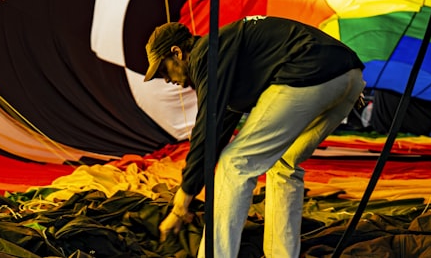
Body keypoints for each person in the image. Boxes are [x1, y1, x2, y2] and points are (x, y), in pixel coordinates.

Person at [144, 15, 365, 258]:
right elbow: (218, 129)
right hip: (349, 77)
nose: (166, 79)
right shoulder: (226, 56)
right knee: (284, 163)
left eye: (163, 69)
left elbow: (207, 129)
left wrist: (181, 202)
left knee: (235, 163)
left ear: (177, 53)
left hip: (309, 72)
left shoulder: (206, 53)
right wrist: (192, 186)